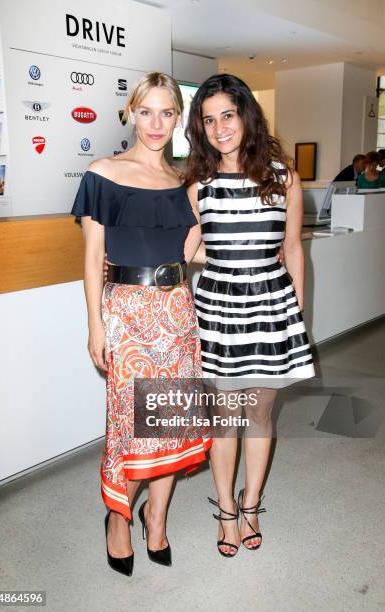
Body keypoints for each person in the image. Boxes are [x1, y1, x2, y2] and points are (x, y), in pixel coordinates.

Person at [71, 72, 211, 576]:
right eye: (147, 111)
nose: (156, 123)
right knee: (131, 428)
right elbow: (92, 260)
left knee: (169, 424)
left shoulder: (183, 182)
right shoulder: (102, 173)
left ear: (179, 118)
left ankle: (157, 519)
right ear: (130, 112)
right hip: (127, 315)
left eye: (167, 113)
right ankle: (117, 517)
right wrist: (95, 326)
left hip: (176, 313)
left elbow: (189, 252)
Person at [184, 74, 315, 557]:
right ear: (201, 128)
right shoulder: (198, 184)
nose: (220, 128)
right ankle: (225, 510)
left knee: (259, 411)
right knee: (225, 415)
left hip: (271, 306)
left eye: (228, 115)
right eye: (209, 119)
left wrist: (296, 316)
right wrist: (224, 256)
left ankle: (252, 503)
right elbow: (188, 249)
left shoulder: (283, 176)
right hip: (219, 308)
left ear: (246, 116)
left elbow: (293, 250)